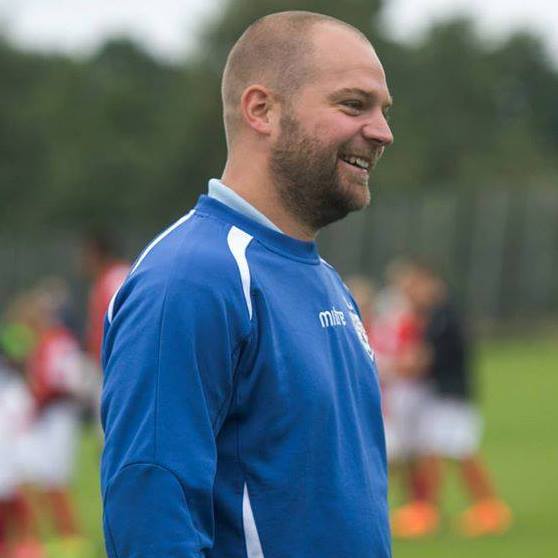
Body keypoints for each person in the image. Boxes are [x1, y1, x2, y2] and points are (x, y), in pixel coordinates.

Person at [101, 10, 393, 558]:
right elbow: (151, 517)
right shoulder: (191, 279)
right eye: (354, 105)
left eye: (382, 109)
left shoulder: (325, 280)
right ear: (262, 110)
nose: (382, 131)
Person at [390, 261, 511, 538]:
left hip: (452, 395)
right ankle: (427, 509)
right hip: (440, 394)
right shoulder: (434, 315)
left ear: (429, 283)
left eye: (413, 286)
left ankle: (487, 509)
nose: (409, 293)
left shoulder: (444, 315)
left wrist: (392, 367)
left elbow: (427, 359)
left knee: (457, 450)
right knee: (436, 450)